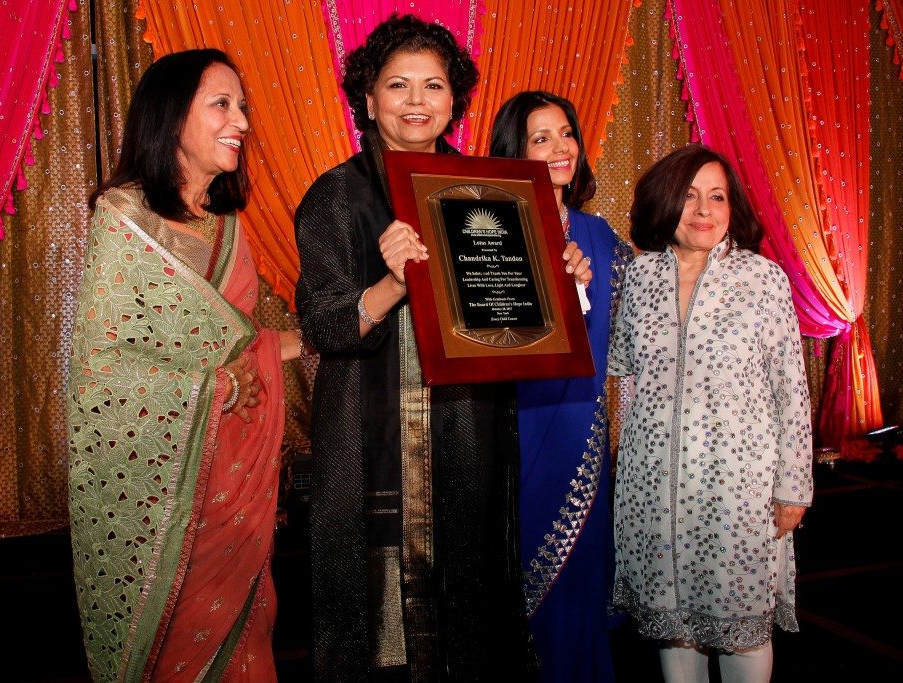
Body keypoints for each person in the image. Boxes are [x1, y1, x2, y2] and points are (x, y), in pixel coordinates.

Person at [294, 15, 589, 682]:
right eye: (398, 85)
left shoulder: (489, 188)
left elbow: (518, 323)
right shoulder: (336, 196)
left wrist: (558, 278)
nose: (417, 101)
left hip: (468, 430)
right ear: (368, 99)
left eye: (434, 84)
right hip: (372, 440)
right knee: (377, 627)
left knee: (472, 606)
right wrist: (392, 282)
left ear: (455, 99)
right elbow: (324, 324)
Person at [68, 49, 301, 682]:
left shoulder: (229, 228)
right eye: (222, 104)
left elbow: (246, 344)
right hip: (168, 490)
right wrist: (215, 383)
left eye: (243, 107)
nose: (242, 122)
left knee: (246, 625)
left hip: (237, 486)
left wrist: (330, 333)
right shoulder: (125, 222)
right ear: (172, 117)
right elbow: (103, 369)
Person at [608, 145, 813, 682]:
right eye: (690, 196)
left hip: (737, 491)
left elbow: (790, 388)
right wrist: (620, 459)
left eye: (716, 197)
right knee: (674, 625)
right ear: (664, 204)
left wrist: (794, 485)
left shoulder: (761, 279)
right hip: (653, 486)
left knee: (743, 629)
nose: (704, 211)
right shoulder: (639, 278)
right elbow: (623, 376)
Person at [490, 91, 632, 682]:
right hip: (515, 427)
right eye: (540, 138)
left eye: (565, 133)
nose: (559, 148)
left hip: (585, 431)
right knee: (514, 578)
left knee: (579, 584)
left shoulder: (602, 237)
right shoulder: (490, 227)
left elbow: (636, 325)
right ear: (513, 152)